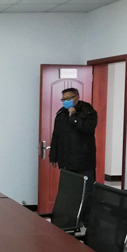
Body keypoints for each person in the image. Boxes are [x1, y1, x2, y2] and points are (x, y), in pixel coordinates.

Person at [50, 87, 98, 225]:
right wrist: (53, 156)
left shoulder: (88, 111)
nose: (66, 101)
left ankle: (87, 221)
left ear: (77, 97)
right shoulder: (61, 114)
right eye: (63, 99)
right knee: (68, 193)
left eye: (69, 98)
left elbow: (88, 129)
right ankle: (69, 221)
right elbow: (56, 136)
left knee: (87, 193)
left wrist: (74, 116)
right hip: (66, 161)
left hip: (84, 161)